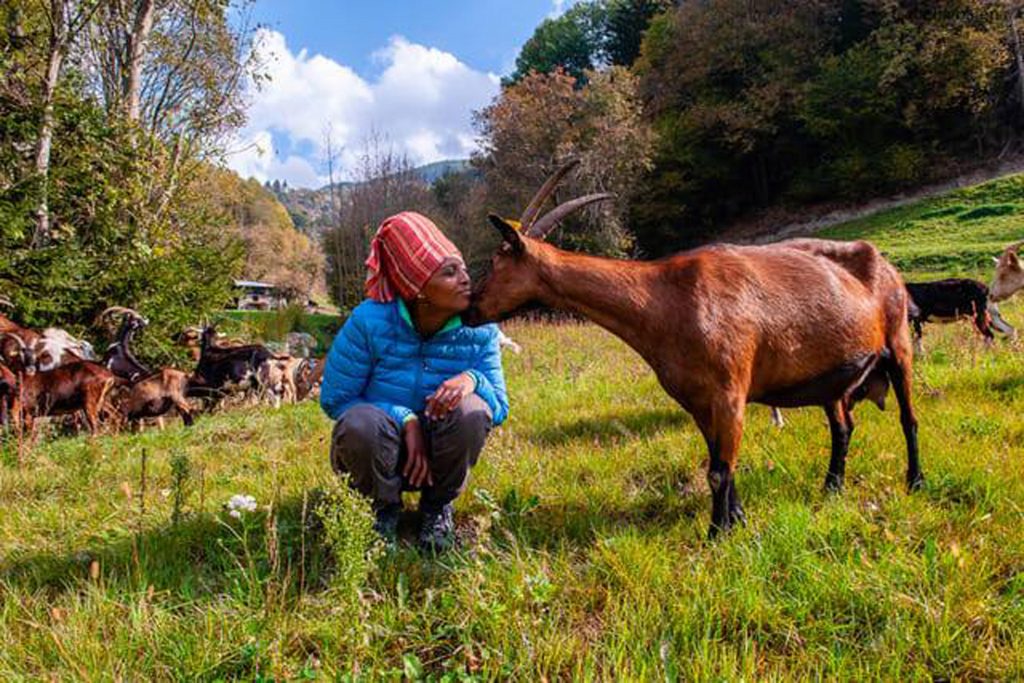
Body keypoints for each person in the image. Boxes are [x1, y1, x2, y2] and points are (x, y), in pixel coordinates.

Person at [320, 211, 509, 551]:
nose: (466, 279)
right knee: (360, 422)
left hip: (441, 454)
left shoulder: (480, 329)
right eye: (449, 273)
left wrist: (472, 380)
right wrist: (405, 418)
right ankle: (380, 511)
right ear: (417, 288)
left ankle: (437, 509)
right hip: (376, 453)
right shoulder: (369, 320)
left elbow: (499, 407)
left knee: (472, 411)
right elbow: (336, 399)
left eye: (463, 268)